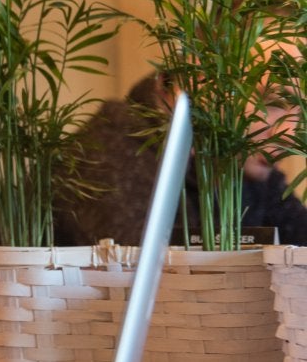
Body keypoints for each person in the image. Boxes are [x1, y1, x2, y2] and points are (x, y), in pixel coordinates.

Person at [52, 71, 307, 246]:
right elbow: (163, 307)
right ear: (192, 82)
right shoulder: (106, 161)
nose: (290, 135)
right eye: (272, 102)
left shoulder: (245, 164)